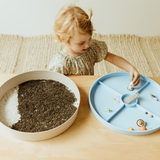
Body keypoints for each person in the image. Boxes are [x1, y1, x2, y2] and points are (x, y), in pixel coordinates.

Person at [48, 4, 140, 86]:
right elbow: (52, 85)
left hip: (90, 88)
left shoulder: (92, 48)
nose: (87, 45)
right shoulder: (60, 64)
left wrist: (130, 68)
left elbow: (111, 57)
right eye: (81, 43)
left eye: (89, 38)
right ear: (64, 40)